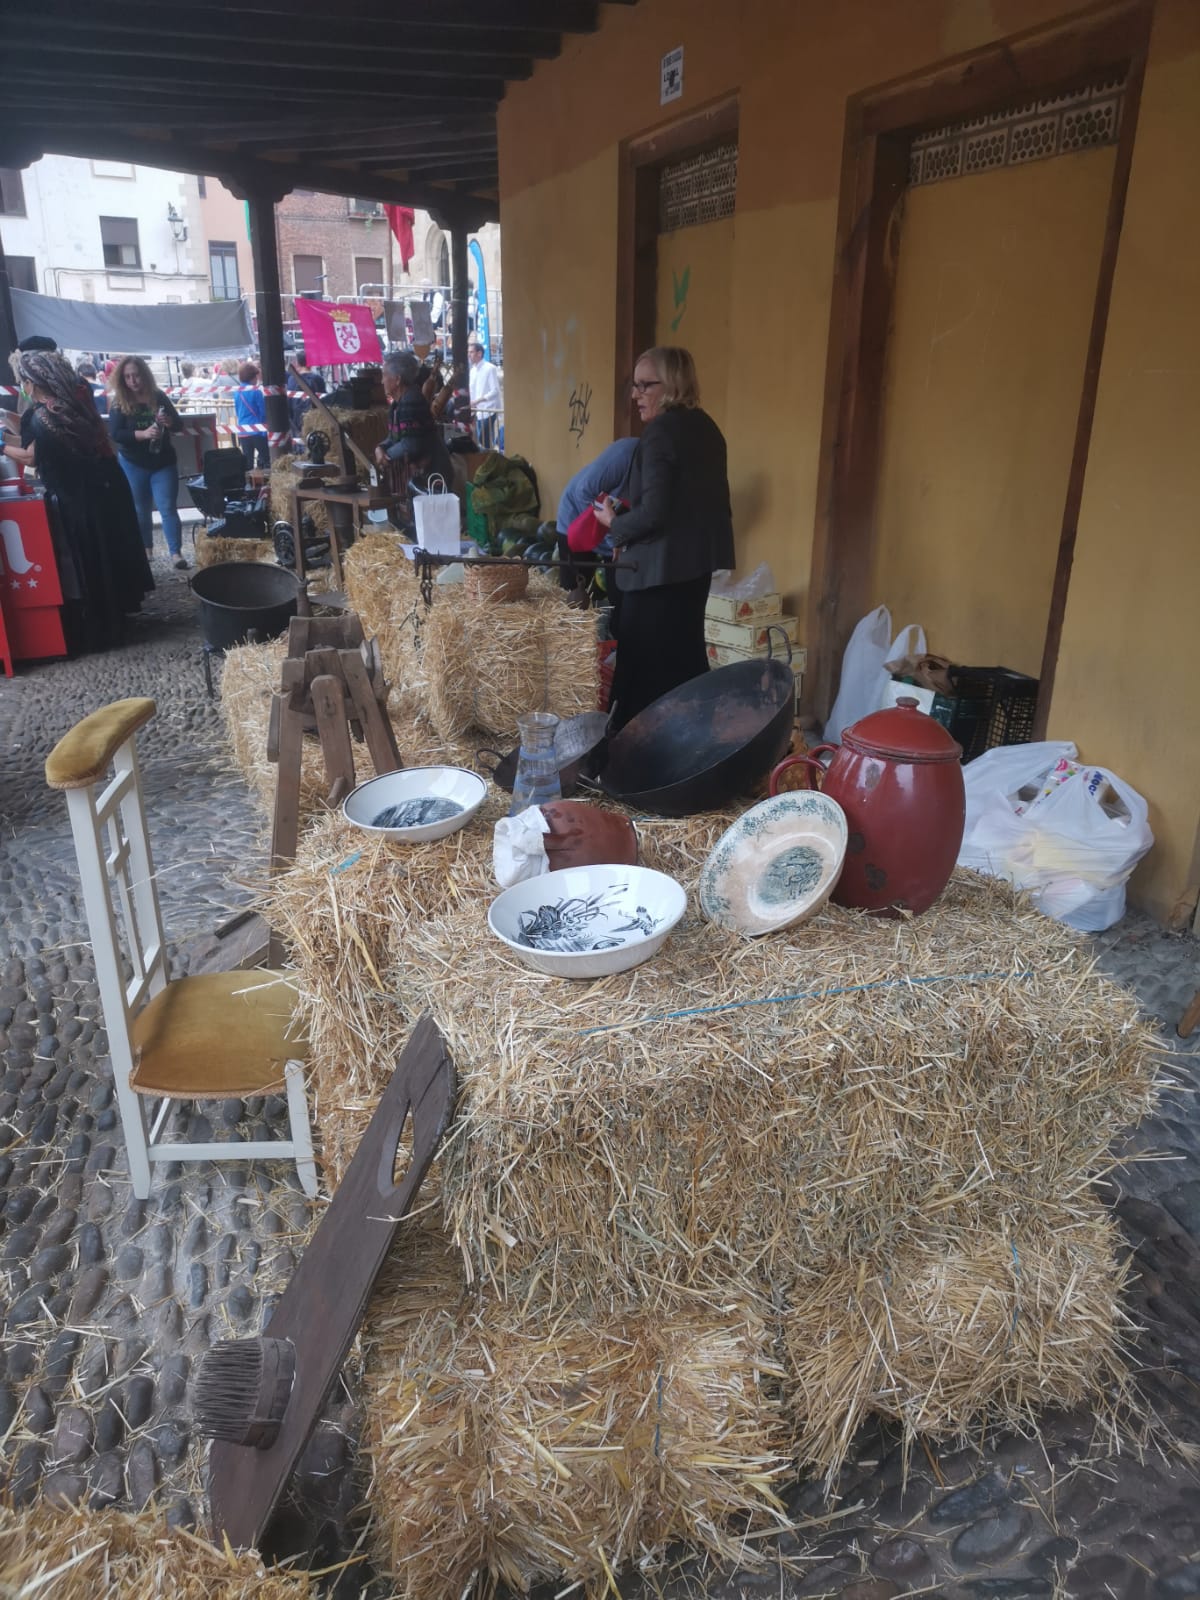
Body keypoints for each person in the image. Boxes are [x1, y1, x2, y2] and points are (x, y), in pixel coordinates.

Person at [594, 346, 734, 732]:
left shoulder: (660, 433)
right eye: (634, 386)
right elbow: (687, 506)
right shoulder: (707, 428)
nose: (636, 395)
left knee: (641, 669)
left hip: (656, 575)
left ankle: (628, 757)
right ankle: (691, 746)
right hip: (694, 570)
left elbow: (656, 512)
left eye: (645, 386)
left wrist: (613, 522)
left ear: (672, 385)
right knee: (685, 663)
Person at [3, 347, 153, 653]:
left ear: (33, 382)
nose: (25, 388)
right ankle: (116, 621)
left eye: (26, 382)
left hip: (72, 499)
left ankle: (96, 629)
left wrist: (2, 445)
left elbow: (32, 454)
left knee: (84, 564)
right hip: (101, 491)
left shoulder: (39, 414)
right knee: (104, 557)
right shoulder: (72, 405)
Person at [107, 354, 188, 570]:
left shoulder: (158, 396)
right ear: (121, 379)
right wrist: (142, 434)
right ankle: (146, 550)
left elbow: (179, 425)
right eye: (128, 377)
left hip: (162, 461)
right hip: (133, 462)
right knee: (140, 509)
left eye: (136, 375)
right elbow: (115, 433)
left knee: (168, 508)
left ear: (145, 375)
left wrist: (169, 422)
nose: (133, 381)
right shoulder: (119, 401)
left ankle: (176, 553)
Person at [554, 436, 639, 603]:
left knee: (619, 594)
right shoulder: (624, 453)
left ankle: (614, 626)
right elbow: (583, 491)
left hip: (616, 528)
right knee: (575, 595)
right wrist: (613, 536)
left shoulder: (665, 464)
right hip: (577, 517)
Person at [375, 349, 451, 500]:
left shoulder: (411, 401)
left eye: (384, 376)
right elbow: (392, 438)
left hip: (432, 474)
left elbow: (411, 444)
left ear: (397, 380)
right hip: (420, 474)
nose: (382, 381)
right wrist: (380, 448)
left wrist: (387, 456)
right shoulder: (397, 405)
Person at [233, 360, 269, 469]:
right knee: (267, 460)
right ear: (253, 377)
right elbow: (263, 412)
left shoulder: (237, 392)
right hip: (257, 431)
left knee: (248, 464)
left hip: (243, 431)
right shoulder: (256, 391)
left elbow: (237, 410)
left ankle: (248, 484)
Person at [467, 339, 501, 449]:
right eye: (469, 352)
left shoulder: (490, 368)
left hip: (489, 409)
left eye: (471, 352)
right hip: (477, 411)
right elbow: (472, 390)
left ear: (479, 353)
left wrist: (479, 400)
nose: (469, 355)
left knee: (483, 439)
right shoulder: (472, 370)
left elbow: (495, 391)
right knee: (479, 439)